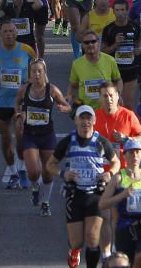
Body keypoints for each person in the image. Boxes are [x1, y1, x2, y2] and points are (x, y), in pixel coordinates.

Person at [52, 105, 120, 268]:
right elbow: (50, 164)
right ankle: (73, 251)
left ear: (94, 121)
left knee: (92, 239)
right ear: (76, 120)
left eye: (89, 118)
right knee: (77, 242)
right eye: (82, 118)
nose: (85, 122)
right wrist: (63, 174)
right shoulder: (68, 141)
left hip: (95, 194)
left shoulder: (101, 142)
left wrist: (109, 174)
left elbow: (116, 162)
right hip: (75, 194)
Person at [0, 20, 38, 189]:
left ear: (16, 33)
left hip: (21, 101)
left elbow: (40, 67)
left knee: (21, 136)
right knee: (6, 140)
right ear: (0, 34)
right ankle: (13, 171)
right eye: (5, 31)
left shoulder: (26, 50)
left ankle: (22, 169)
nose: (9, 34)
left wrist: (32, 80)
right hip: (1, 102)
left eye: (11, 31)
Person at [15, 58, 71, 217]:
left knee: (48, 172)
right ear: (30, 73)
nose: (37, 74)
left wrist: (65, 108)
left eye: (40, 71)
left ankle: (45, 202)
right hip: (30, 135)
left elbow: (66, 104)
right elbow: (17, 103)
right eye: (34, 71)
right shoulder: (24, 89)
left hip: (47, 135)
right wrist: (19, 115)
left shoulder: (52, 90)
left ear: (44, 72)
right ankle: (35, 187)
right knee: (33, 171)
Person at [98, 139, 141, 263]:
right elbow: (102, 204)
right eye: (131, 153)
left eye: (138, 152)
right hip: (125, 227)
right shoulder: (118, 178)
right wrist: (122, 195)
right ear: (124, 155)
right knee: (127, 262)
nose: (135, 156)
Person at [101, 0, 141, 109]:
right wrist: (115, 45)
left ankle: (129, 126)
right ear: (113, 12)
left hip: (131, 70)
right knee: (115, 104)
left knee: (128, 105)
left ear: (127, 11)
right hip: (114, 71)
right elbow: (103, 51)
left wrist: (138, 49)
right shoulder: (109, 29)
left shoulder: (135, 27)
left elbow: (139, 41)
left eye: (123, 10)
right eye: (117, 10)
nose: (120, 13)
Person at [68, 30, 123, 110]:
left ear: (98, 43)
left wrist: (118, 94)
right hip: (86, 111)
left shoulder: (110, 60)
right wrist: (69, 96)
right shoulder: (76, 64)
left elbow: (118, 80)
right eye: (86, 42)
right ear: (82, 45)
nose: (90, 44)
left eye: (93, 41)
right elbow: (73, 85)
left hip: (106, 108)